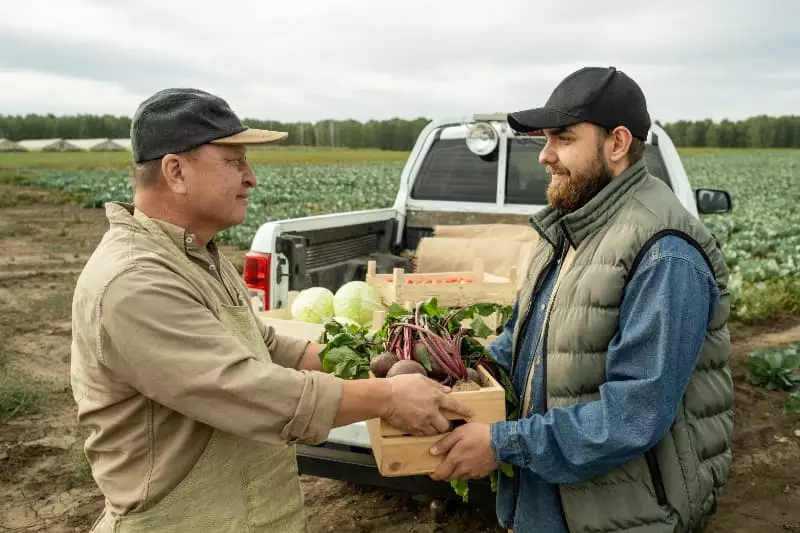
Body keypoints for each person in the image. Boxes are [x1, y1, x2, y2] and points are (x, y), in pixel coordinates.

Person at [69, 88, 474, 533]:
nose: (252, 178)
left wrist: (366, 358)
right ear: (176, 172)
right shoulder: (133, 280)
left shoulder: (194, 253)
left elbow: (263, 345)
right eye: (234, 162)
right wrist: (387, 398)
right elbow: (240, 389)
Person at [427, 66, 733, 533]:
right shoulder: (569, 227)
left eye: (564, 138)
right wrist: (462, 374)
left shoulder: (664, 252)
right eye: (546, 139)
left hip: (622, 513)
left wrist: (503, 444)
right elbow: (522, 344)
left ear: (617, 143)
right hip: (548, 499)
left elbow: (634, 414)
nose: (545, 155)